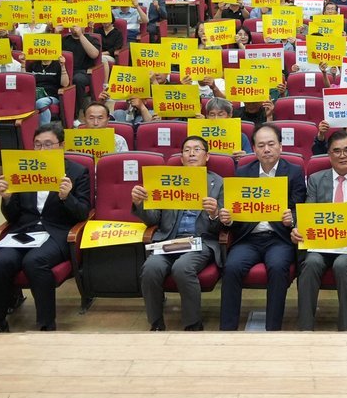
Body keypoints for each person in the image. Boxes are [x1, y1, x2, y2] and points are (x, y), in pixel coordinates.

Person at [0, 125, 91, 332]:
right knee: (1, 261)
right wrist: (7, 199)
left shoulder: (77, 172)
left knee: (34, 261)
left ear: (61, 146)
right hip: (24, 231)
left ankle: (46, 325)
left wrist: (67, 197)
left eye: (48, 144)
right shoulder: (22, 169)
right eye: (37, 145)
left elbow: (82, 213)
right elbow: (13, 216)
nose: (42, 150)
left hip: (57, 232)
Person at [130, 135, 225, 331]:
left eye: (197, 149)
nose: (192, 153)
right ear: (181, 158)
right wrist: (139, 204)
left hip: (200, 242)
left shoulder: (218, 183)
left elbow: (221, 226)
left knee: (182, 268)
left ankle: (193, 324)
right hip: (169, 240)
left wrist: (214, 213)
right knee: (151, 268)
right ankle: (156, 323)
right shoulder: (167, 180)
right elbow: (153, 220)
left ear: (207, 156)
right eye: (187, 150)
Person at [220, 123, 306, 331]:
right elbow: (235, 211)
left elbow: (300, 209)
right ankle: (227, 330)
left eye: (271, 144)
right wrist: (228, 219)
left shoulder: (294, 172)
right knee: (231, 267)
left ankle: (273, 329)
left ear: (280, 146)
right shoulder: (243, 173)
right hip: (248, 238)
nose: (266, 149)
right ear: (254, 149)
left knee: (277, 267)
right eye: (261, 145)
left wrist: (292, 219)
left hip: (279, 238)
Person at [292, 130, 347, 331]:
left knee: (342, 264)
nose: (342, 155)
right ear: (329, 154)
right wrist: (298, 228)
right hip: (321, 243)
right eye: (336, 151)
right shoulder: (316, 179)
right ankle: (305, 327)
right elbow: (308, 211)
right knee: (311, 263)